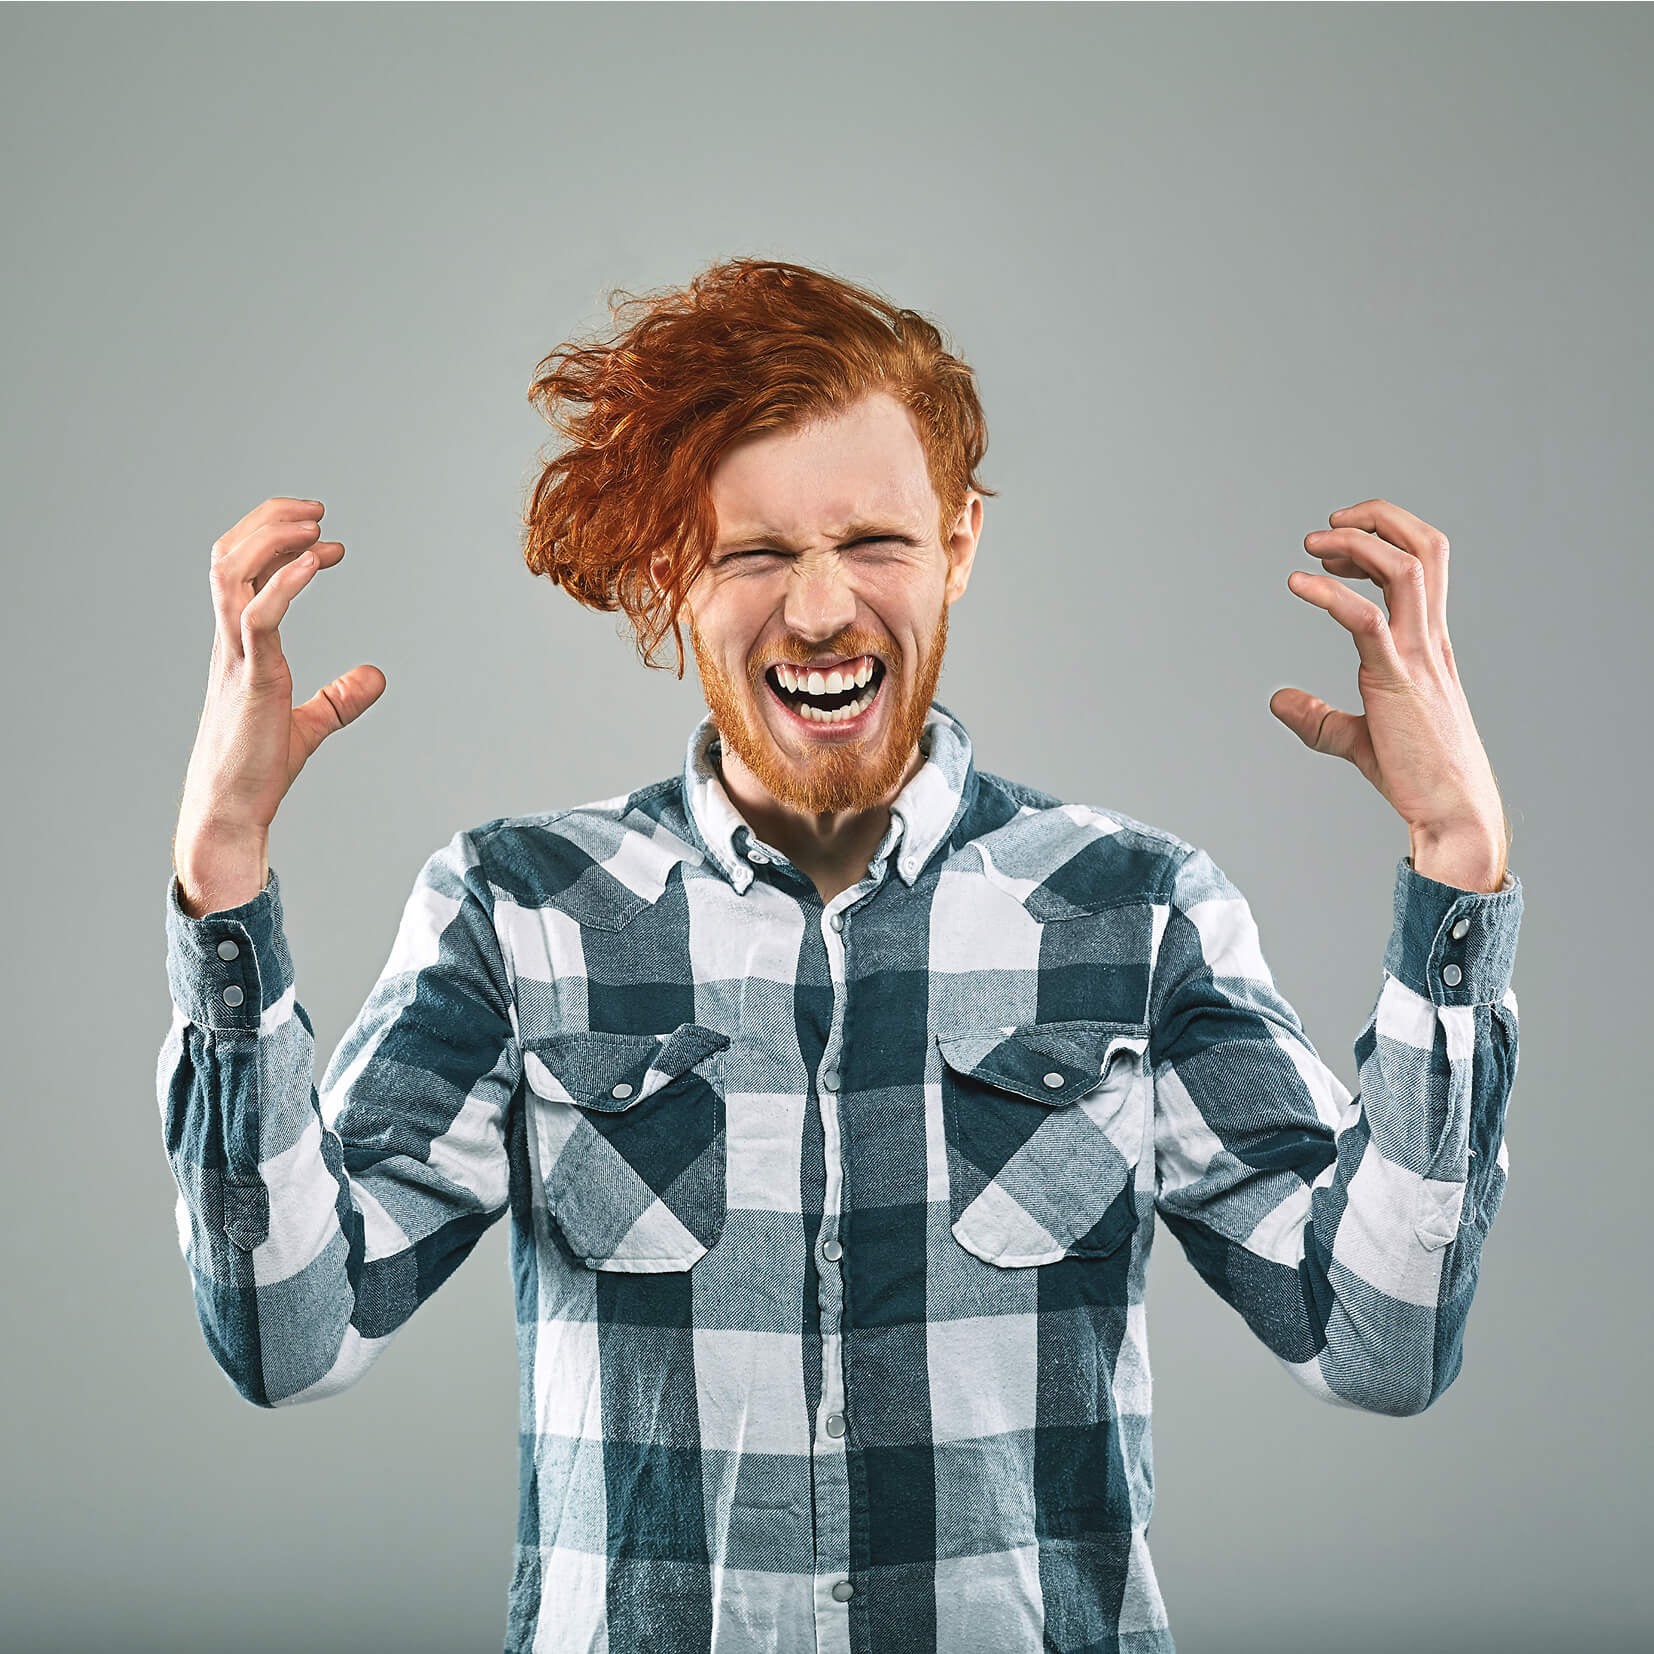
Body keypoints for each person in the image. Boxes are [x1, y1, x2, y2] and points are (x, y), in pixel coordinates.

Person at [159, 257, 1524, 1654]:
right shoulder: (516, 910)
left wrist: (1453, 863)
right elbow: (288, 1337)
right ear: (668, 570)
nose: (817, 612)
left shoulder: (1138, 911)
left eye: (874, 539)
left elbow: (1379, 1341)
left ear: (961, 542)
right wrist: (225, 886)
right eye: (753, 552)